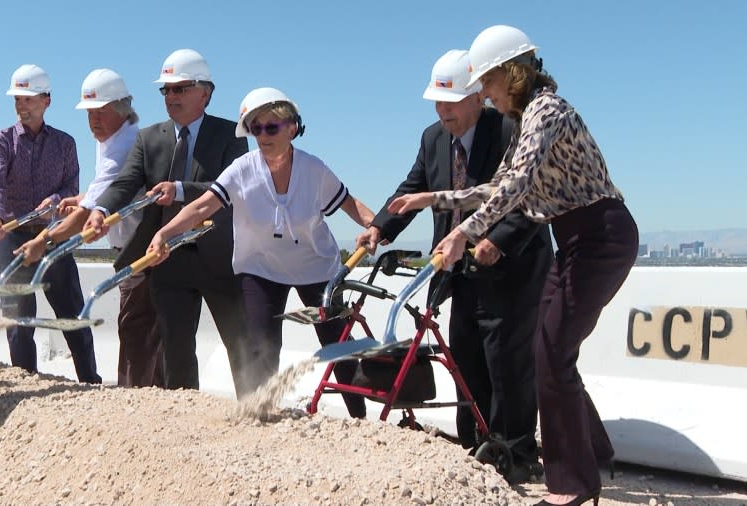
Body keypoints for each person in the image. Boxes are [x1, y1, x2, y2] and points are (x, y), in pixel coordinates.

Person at [391, 26, 638, 506]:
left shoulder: (547, 111)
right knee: (549, 348)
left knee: (551, 353)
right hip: (575, 241)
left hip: (600, 238)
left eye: (486, 81)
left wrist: (464, 231)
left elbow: (515, 187)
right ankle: (596, 452)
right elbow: (497, 183)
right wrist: (433, 198)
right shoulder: (530, 118)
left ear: (511, 74)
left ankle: (573, 483)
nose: (482, 92)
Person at [356, 50, 552, 481]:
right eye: (437, 102)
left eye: (452, 101)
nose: (443, 110)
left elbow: (529, 196)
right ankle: (476, 448)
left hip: (514, 265)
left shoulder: (509, 127)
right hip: (458, 267)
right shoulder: (432, 138)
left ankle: (516, 454)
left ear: (478, 97)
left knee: (507, 361)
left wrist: (496, 241)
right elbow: (414, 187)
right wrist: (380, 228)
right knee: (465, 355)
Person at [147, 87, 374, 417]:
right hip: (262, 267)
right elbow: (200, 208)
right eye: (256, 128)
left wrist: (372, 225)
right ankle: (261, 415)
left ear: (291, 127)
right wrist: (164, 233)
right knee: (260, 346)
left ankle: (360, 417)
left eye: (272, 127)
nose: (263, 136)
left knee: (337, 343)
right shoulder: (242, 169)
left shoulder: (314, 169)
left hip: (317, 267)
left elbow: (350, 203)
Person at [83, 49, 253, 397]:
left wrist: (179, 190)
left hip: (219, 259)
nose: (171, 97)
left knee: (240, 346)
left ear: (205, 92)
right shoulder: (149, 138)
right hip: (168, 264)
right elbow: (125, 183)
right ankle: (184, 424)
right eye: (166, 90)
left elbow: (232, 188)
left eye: (180, 88)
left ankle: (254, 413)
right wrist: (100, 210)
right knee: (175, 354)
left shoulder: (231, 136)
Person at [14, 68, 162, 388]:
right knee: (148, 334)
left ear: (122, 110)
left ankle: (133, 404)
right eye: (89, 114)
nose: (93, 121)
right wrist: (83, 197)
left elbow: (85, 217)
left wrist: (43, 239)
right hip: (136, 247)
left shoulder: (122, 147)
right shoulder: (114, 136)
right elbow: (105, 189)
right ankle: (160, 399)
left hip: (142, 252)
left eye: (100, 112)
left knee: (136, 332)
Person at [0, 64, 101, 384]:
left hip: (53, 237)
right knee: (18, 320)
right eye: (17, 99)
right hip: (12, 238)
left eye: (28, 98)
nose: (22, 105)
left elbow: (71, 187)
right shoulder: (2, 141)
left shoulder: (65, 144)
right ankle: (26, 383)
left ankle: (90, 381)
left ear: (46, 101)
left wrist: (56, 199)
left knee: (72, 314)